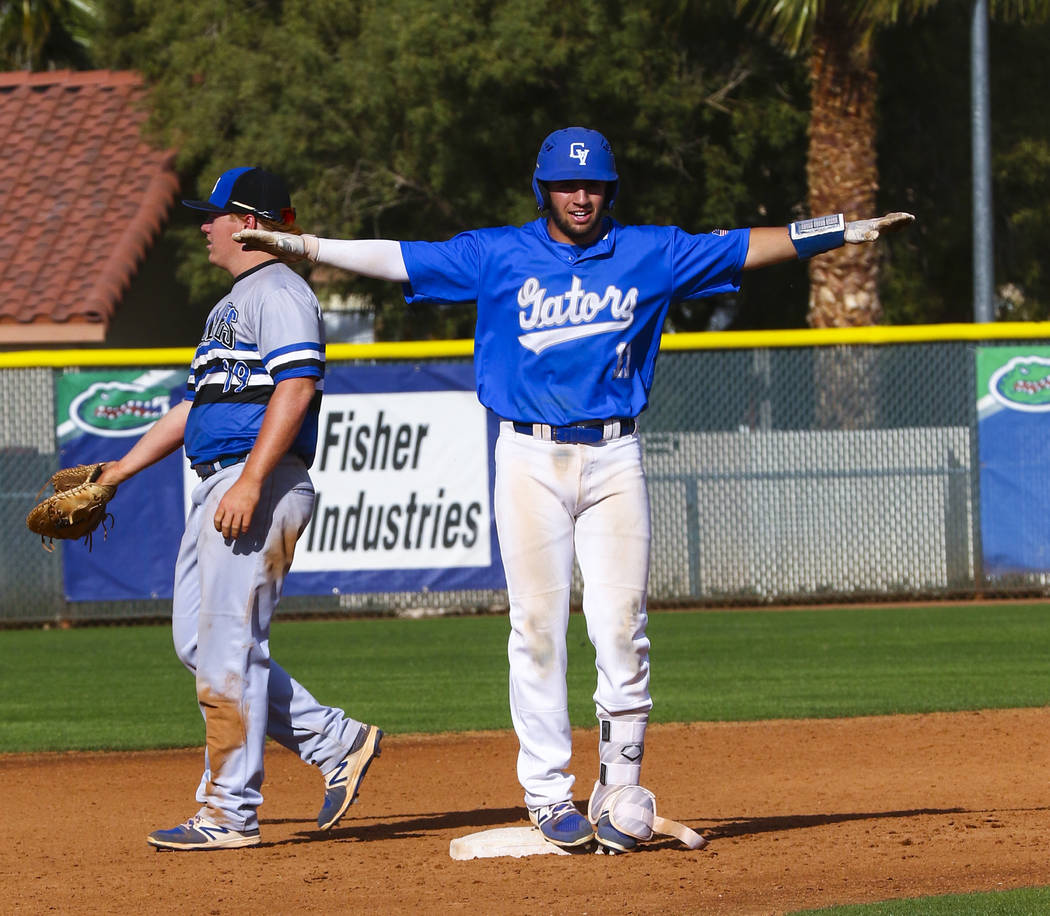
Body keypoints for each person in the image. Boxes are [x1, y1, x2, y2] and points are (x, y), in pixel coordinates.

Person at [235, 128, 913, 852]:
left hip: (616, 453)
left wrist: (837, 231)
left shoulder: (649, 252)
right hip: (528, 456)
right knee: (536, 628)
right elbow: (400, 259)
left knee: (624, 628)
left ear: (609, 191)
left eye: (592, 186)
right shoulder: (499, 254)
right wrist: (307, 249)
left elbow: (745, 244)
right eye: (566, 185)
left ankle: (620, 787)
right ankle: (548, 794)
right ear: (544, 190)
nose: (580, 196)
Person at [95, 166, 383, 851]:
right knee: (199, 644)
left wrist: (251, 482)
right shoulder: (235, 300)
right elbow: (197, 405)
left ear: (249, 224)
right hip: (221, 482)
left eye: (216, 214)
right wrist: (118, 473)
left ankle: (228, 812)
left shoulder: (280, 290)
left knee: (228, 647)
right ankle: (334, 739)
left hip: (257, 481)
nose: (205, 224)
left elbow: (298, 384)